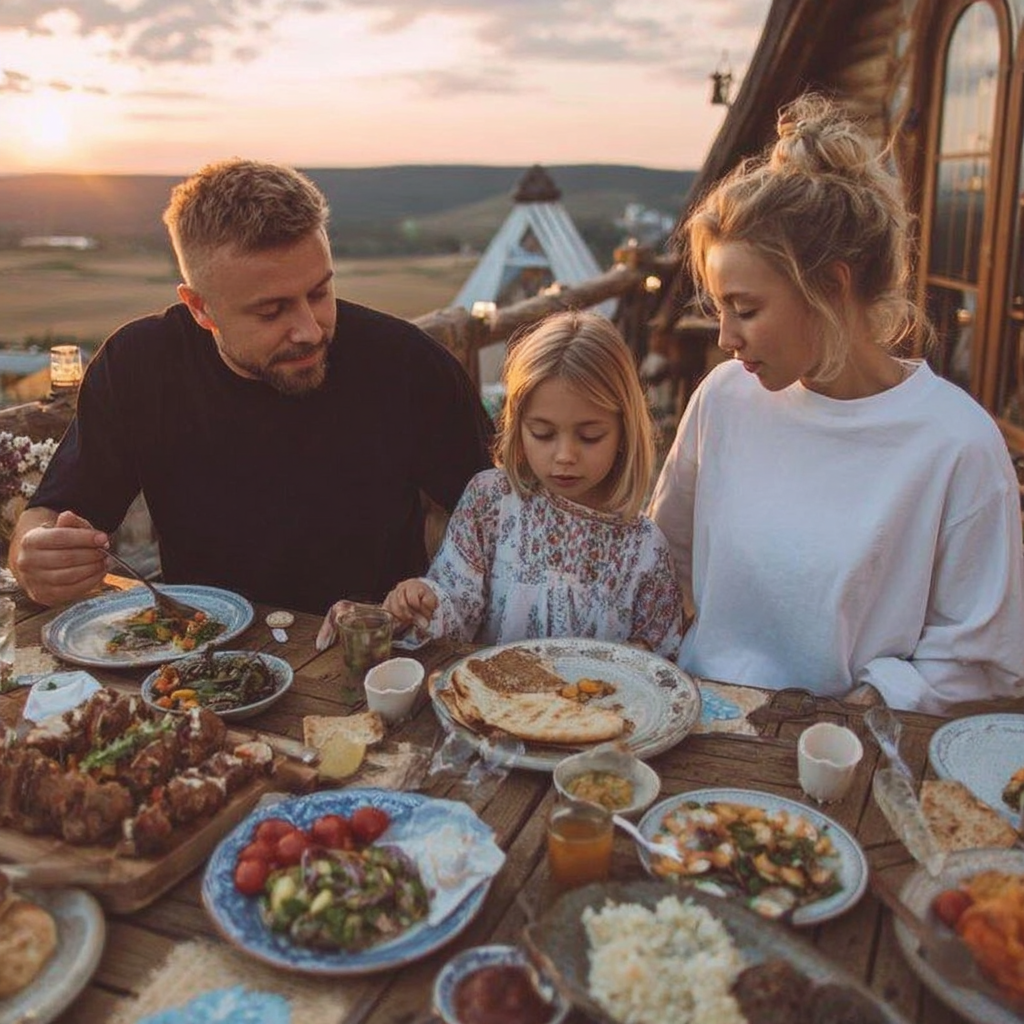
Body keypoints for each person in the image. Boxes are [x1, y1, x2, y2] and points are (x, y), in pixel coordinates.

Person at [648, 92, 1024, 714]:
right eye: (719, 309)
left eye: (746, 309)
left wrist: (862, 707)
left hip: (846, 752)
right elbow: (665, 559)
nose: (725, 337)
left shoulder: (955, 444)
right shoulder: (724, 399)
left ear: (830, 285)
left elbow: (982, 657)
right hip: (698, 724)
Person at [9, 159, 494, 615]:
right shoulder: (138, 364)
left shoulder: (408, 363)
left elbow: (502, 521)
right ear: (200, 308)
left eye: (320, 292)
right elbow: (48, 517)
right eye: (271, 310)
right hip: (203, 651)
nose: (309, 328)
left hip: (375, 657)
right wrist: (37, 557)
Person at [351, 310, 685, 658]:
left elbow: (659, 657)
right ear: (517, 425)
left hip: (597, 711)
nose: (564, 455)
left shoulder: (644, 547)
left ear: (623, 433)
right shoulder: (490, 502)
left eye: (590, 436)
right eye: (542, 433)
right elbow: (458, 604)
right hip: (492, 704)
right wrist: (425, 601)